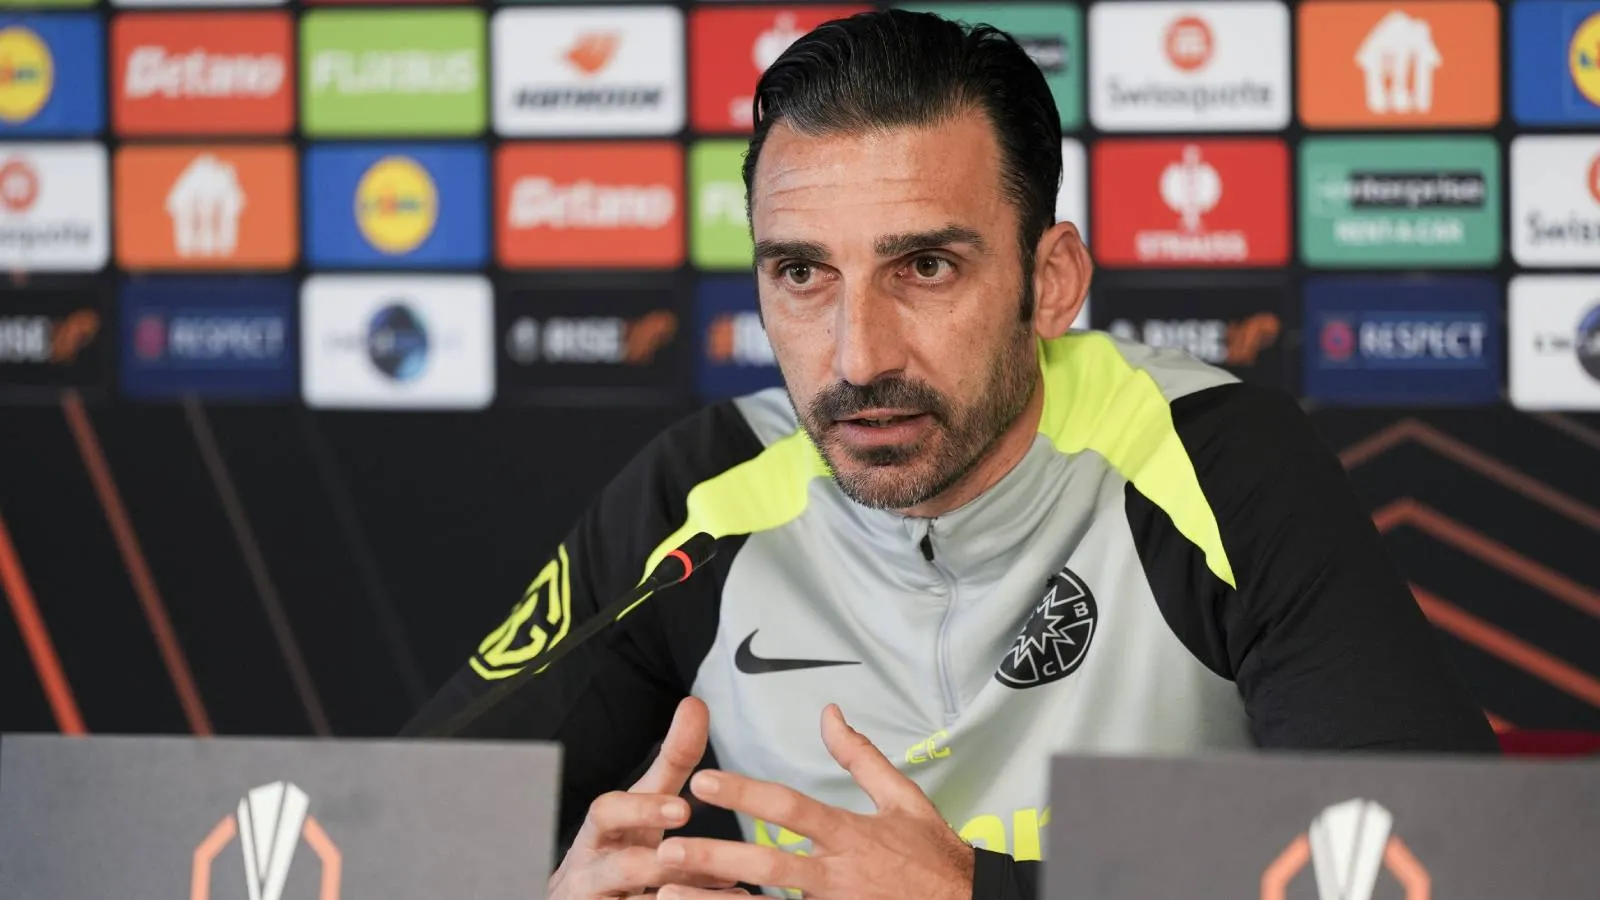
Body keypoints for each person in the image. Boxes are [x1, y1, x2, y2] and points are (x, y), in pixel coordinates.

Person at [403, 10, 1498, 899]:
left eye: (924, 267)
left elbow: (1453, 865)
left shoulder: (1215, 458)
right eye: (802, 274)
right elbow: (389, 836)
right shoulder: (703, 493)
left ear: (1050, 282)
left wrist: (981, 894)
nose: (857, 356)